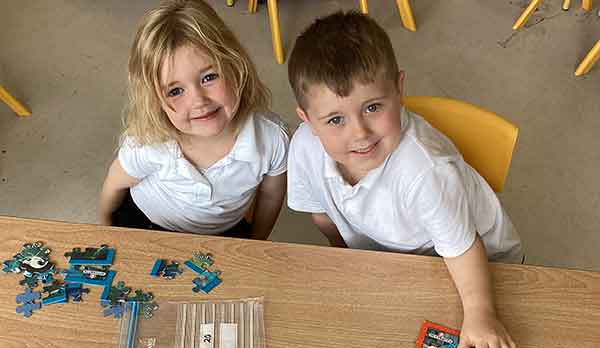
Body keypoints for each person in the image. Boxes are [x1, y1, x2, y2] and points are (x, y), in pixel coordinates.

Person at [286, 11, 521, 348]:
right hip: (402, 260)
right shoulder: (304, 147)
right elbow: (321, 213)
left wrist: (480, 313)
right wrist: (345, 258)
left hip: (482, 266)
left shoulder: (426, 172)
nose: (360, 134)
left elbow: (464, 249)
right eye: (336, 119)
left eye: (372, 108)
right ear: (307, 120)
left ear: (399, 89)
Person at [99, 0, 288, 239]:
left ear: (236, 66)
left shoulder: (270, 137)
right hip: (144, 224)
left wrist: (257, 242)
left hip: (223, 233)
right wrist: (105, 230)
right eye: (175, 91)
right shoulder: (148, 143)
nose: (199, 101)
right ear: (154, 101)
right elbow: (114, 183)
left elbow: (271, 195)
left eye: (209, 77)